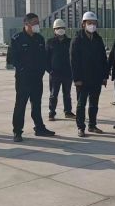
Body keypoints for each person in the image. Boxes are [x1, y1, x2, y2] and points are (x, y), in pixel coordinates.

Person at [7, 13, 55, 142]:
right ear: (26, 24)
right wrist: (22, 70)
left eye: (37, 22)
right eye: (34, 23)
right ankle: (17, 131)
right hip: (23, 79)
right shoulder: (17, 38)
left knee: (37, 104)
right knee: (20, 105)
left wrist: (45, 70)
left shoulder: (39, 38)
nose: (37, 25)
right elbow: (11, 59)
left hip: (37, 78)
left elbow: (44, 58)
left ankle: (39, 128)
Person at [70, 11, 108, 137]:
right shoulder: (77, 39)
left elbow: (103, 59)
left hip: (96, 78)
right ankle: (81, 127)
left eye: (94, 23)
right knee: (81, 105)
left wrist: (104, 76)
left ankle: (92, 125)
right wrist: (76, 79)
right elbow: (73, 61)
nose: (92, 25)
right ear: (83, 24)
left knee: (94, 104)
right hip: (82, 79)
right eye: (89, 23)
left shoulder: (98, 39)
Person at [46, 18, 75, 121]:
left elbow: (74, 57)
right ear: (54, 30)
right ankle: (52, 112)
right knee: (53, 94)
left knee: (67, 94)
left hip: (67, 73)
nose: (60, 29)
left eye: (62, 27)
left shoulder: (70, 42)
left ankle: (68, 112)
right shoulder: (50, 42)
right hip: (55, 74)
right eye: (58, 28)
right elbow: (46, 58)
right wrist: (50, 71)